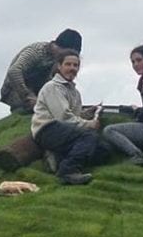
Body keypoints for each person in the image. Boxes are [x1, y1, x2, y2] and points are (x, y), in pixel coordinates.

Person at [31, 49, 107, 185]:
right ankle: (67, 171)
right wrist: (89, 124)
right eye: (68, 64)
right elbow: (63, 117)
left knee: (104, 150)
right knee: (89, 137)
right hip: (47, 129)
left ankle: (59, 158)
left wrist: (89, 113)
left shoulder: (75, 92)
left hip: (64, 130)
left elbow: (74, 116)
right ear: (59, 66)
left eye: (75, 65)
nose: (72, 68)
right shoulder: (52, 87)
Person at [0, 28, 83, 113]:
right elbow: (14, 71)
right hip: (16, 90)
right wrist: (28, 96)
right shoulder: (37, 51)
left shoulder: (58, 60)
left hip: (40, 90)